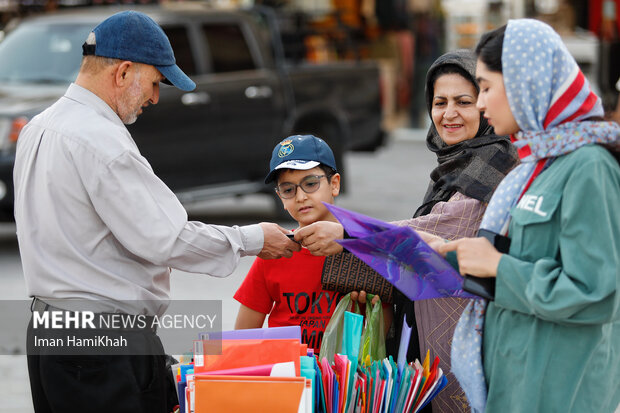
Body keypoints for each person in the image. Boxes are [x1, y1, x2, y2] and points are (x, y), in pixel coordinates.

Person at [14, 11, 300, 413]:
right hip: (102, 338)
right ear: (123, 71)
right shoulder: (102, 140)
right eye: (153, 83)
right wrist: (254, 239)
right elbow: (168, 237)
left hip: (48, 331)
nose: (154, 98)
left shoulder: (39, 127)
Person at [294, 50, 518, 412]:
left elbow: (436, 228)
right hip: (435, 325)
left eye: (464, 101)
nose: (448, 114)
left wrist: (346, 232)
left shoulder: (495, 164)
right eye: (439, 102)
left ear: (486, 105)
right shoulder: (457, 164)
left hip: (468, 337)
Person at [432, 19, 620, 413]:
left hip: (560, 392)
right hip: (516, 381)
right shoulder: (532, 168)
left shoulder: (588, 167)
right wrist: (457, 255)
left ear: (525, 82)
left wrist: (498, 265)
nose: (480, 104)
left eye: (485, 87)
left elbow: (596, 294)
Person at [233, 134, 345, 353]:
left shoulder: (361, 247)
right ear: (280, 197)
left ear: (334, 184)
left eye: (310, 183)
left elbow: (383, 327)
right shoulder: (275, 251)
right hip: (286, 378)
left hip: (347, 381)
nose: (300, 196)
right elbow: (242, 338)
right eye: (288, 190)